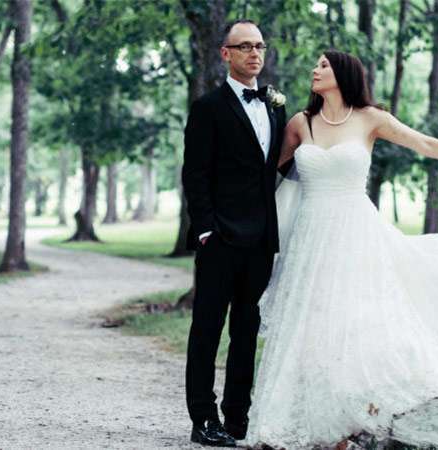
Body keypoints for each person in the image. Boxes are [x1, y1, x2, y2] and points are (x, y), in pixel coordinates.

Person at [244, 50, 438, 449]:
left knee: (359, 323)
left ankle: (355, 415)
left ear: (343, 74)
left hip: (356, 233)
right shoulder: (299, 124)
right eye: (316, 65)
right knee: (312, 325)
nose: (314, 70)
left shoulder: (370, 118)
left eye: (323, 65)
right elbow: (263, 174)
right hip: (311, 238)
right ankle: (322, 421)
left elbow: (425, 143)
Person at [181, 19, 286, 447]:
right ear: (225, 54)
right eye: (244, 46)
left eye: (259, 46)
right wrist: (206, 229)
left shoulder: (276, 106)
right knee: (207, 329)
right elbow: (195, 173)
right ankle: (203, 420)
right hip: (221, 238)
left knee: (246, 330)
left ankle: (237, 417)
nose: (254, 53)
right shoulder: (208, 107)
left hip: (261, 240)